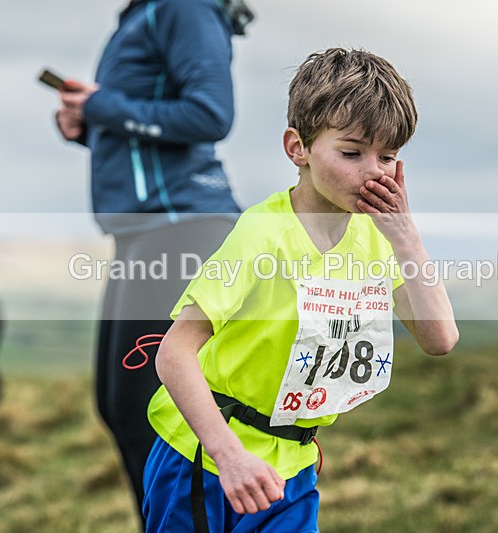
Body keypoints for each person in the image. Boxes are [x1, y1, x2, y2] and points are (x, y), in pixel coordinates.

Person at [142, 48, 460, 532]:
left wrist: (406, 237)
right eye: (352, 153)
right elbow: (173, 354)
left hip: (294, 464)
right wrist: (230, 458)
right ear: (298, 148)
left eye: (389, 157)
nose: (374, 172)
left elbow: (439, 339)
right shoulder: (261, 234)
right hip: (205, 458)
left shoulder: (378, 237)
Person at [53, 0, 254, 520]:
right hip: (143, 232)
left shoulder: (182, 8)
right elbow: (148, 129)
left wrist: (103, 108)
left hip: (182, 228)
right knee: (118, 406)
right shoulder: (140, 15)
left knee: (154, 413)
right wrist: (88, 127)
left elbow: (211, 114)